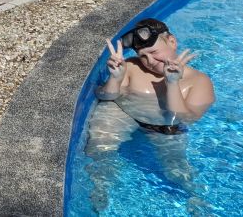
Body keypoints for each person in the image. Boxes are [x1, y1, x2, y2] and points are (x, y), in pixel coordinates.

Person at [87, 19, 215, 207]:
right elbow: (106, 96)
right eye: (143, 55)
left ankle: (197, 201)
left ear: (172, 42)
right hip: (123, 113)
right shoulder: (131, 66)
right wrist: (115, 78)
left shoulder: (199, 81)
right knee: (99, 148)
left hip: (165, 128)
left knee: (178, 172)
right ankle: (100, 189)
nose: (150, 61)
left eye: (154, 52)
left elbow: (184, 118)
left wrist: (172, 83)